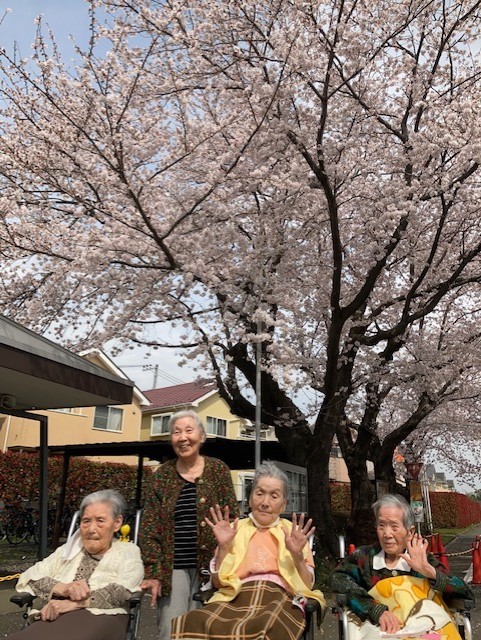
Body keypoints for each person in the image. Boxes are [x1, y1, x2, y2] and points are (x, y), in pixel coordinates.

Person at [171, 460, 326, 640]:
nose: (265, 503)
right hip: (235, 596)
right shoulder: (233, 530)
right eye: (259, 494)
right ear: (250, 498)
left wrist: (297, 555)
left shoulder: (294, 534)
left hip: (279, 598)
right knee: (193, 621)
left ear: (284, 504)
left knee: (268, 622)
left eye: (274, 496)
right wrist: (224, 547)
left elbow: (307, 586)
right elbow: (218, 584)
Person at [140, 409, 239, 640]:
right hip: (173, 566)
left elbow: (232, 517)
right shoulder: (161, 476)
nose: (183, 437)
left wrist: (225, 554)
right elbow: (149, 528)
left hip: (213, 564)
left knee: (205, 628)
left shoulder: (218, 470)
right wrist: (153, 571)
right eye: (176, 432)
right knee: (171, 628)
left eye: (188, 430)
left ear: (202, 436)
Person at [329, 493, 473, 640]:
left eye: (394, 526)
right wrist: (375, 610)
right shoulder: (364, 557)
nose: (387, 534)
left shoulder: (424, 561)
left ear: (410, 532)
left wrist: (429, 571)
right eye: (381, 525)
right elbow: (338, 579)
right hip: (380, 631)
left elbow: (465, 593)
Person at [8, 489, 144, 640]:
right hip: (56, 616)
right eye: (86, 521)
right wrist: (63, 588)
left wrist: (77, 603)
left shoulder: (128, 551)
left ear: (117, 523)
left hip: (105, 617)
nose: (91, 529)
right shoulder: (67, 551)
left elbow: (124, 589)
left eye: (100, 520)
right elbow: (31, 576)